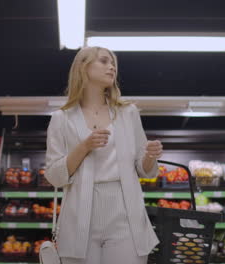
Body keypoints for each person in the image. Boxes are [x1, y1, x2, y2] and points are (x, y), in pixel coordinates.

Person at [45, 46, 163, 264]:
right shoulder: (61, 119)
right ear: (83, 67)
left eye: (113, 64)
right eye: (103, 61)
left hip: (125, 210)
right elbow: (54, 176)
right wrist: (84, 146)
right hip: (79, 214)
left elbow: (144, 169)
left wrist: (150, 155)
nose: (111, 67)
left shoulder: (128, 113)